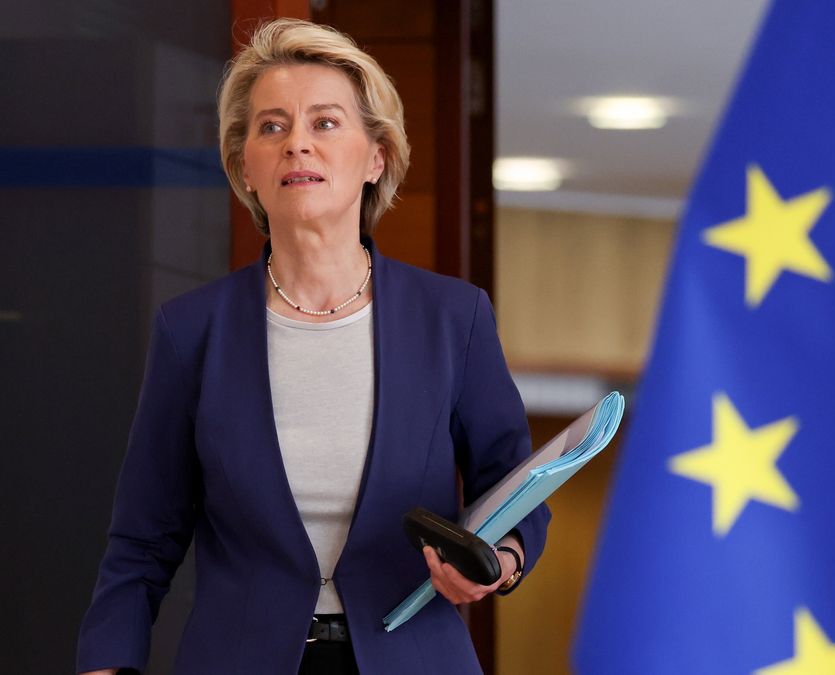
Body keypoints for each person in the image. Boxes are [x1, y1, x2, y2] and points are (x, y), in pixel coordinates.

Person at [76, 18, 549, 675]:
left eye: (325, 123)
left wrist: (502, 558)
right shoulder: (191, 332)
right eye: (272, 126)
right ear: (246, 163)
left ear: (375, 156)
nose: (297, 144)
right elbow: (141, 542)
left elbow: (513, 479)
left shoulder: (453, 317)